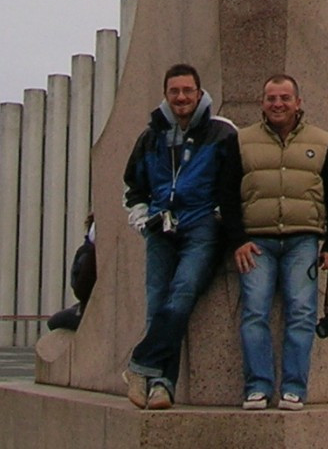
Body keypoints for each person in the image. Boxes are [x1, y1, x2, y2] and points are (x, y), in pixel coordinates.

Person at [222, 73, 328, 410]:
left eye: (285, 98)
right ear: (262, 103)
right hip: (256, 243)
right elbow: (227, 194)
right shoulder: (242, 140)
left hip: (302, 241)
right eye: (272, 98)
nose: (278, 104)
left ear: (298, 103)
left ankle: (294, 387)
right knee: (254, 312)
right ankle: (258, 386)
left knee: (302, 313)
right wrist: (238, 240)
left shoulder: (320, 141)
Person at [120, 64, 238, 410]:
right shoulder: (151, 136)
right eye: (175, 92)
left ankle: (140, 365)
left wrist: (221, 220)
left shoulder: (221, 132)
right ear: (166, 95)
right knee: (157, 301)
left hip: (201, 223)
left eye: (188, 91)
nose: (182, 97)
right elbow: (133, 185)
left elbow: (235, 182)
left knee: (183, 291)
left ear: (200, 94)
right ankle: (161, 385)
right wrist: (142, 219)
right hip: (160, 225)